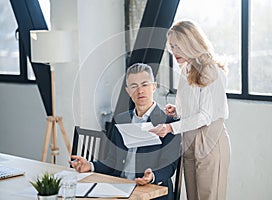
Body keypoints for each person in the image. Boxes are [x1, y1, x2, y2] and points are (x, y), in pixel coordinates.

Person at [70, 63, 181, 200]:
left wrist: (152, 176)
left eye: (144, 84)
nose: (140, 91)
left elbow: (169, 167)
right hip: (119, 189)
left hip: (151, 193)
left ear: (153, 86)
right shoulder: (121, 119)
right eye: (134, 86)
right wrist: (90, 166)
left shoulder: (169, 123)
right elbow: (113, 160)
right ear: (128, 91)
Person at [149, 20, 231, 200]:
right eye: (171, 46)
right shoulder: (187, 69)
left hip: (210, 140)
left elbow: (205, 116)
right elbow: (196, 107)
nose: (174, 51)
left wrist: (171, 127)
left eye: (177, 46)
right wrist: (178, 111)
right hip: (189, 140)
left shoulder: (212, 70)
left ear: (191, 43)